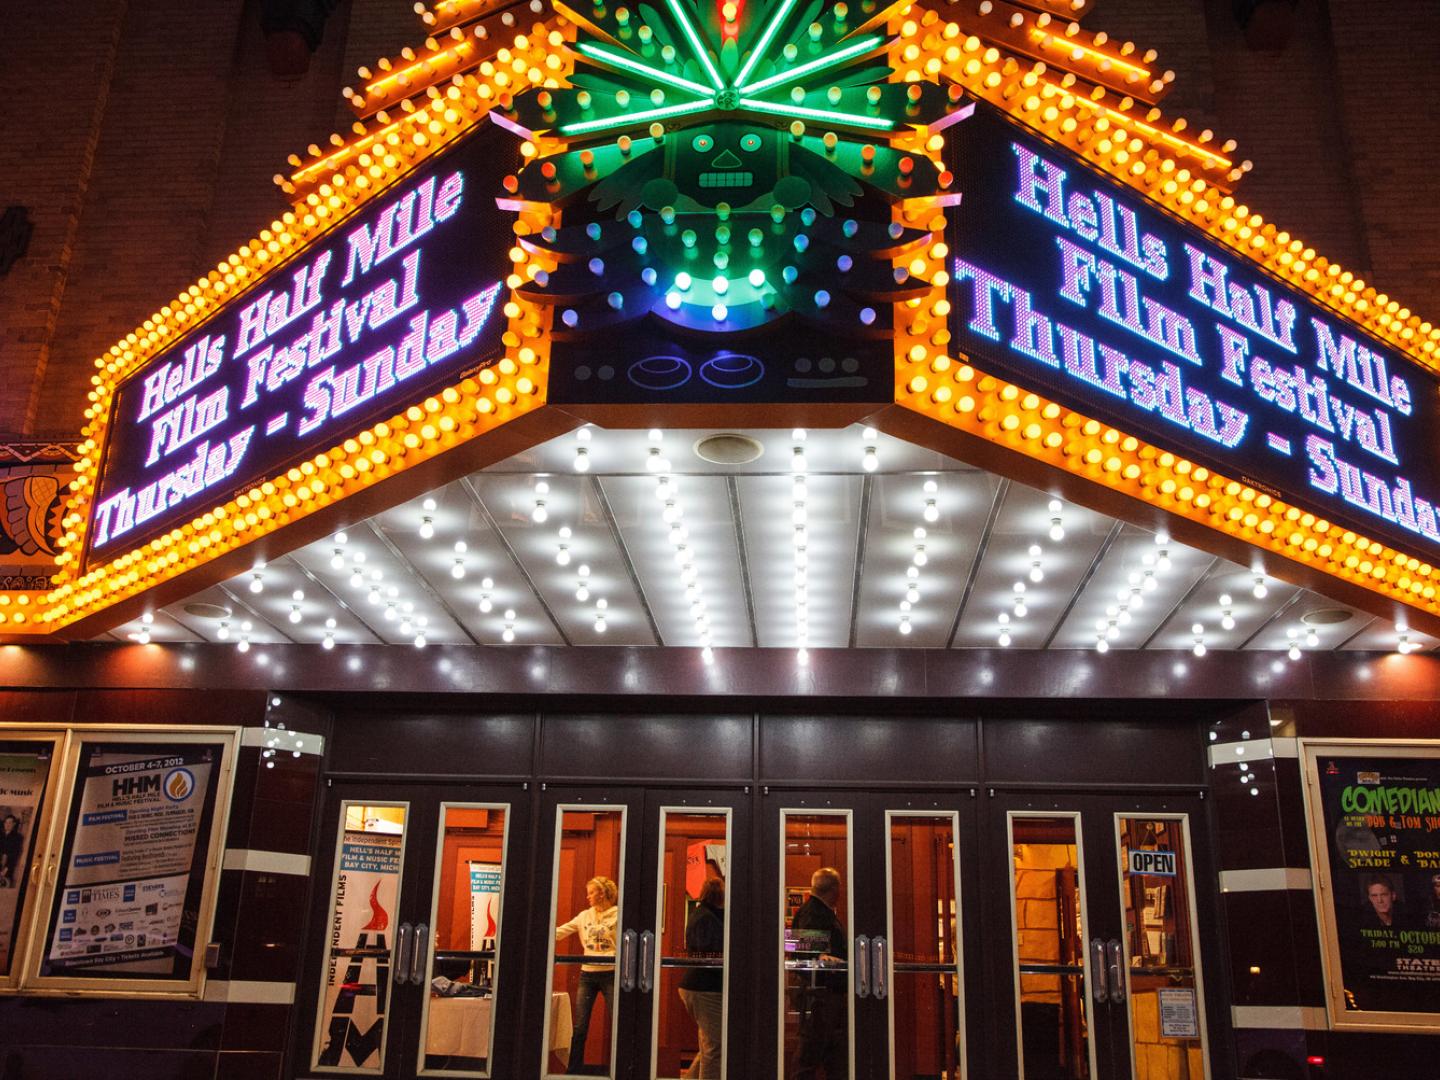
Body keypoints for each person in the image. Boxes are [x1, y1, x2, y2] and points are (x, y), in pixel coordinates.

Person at [556, 875, 619, 1075]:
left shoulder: (619, 915)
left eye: (591, 892)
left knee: (618, 1020)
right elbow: (561, 931)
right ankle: (573, 1072)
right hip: (588, 975)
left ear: (602, 894)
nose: (588, 897)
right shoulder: (584, 916)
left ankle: (620, 1069)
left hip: (611, 974)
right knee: (580, 1025)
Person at [791, 868, 847, 1080]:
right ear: (835, 890)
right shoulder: (816, 913)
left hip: (818, 994)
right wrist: (825, 959)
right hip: (821, 995)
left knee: (819, 1051)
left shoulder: (809, 911)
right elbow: (805, 956)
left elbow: (799, 951)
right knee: (811, 1052)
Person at [679, 876, 725, 1079]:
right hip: (704, 986)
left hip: (699, 985)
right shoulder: (706, 918)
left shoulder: (704, 914)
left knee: (710, 1042)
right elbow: (709, 954)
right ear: (720, 895)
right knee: (716, 1045)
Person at [0, 815, 22, 888]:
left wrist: (5, 870)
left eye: (9, 822)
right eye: (6, 822)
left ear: (14, 824)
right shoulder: (1, 835)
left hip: (7, 868)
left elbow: (15, 855)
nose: (7, 824)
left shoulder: (17, 837)